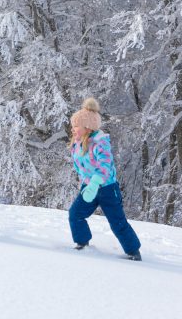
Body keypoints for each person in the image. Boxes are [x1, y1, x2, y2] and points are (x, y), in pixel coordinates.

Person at [67, 97, 142, 260]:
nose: (73, 129)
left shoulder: (100, 143)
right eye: (73, 126)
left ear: (87, 127)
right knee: (75, 214)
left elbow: (104, 165)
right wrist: (88, 184)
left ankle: (133, 252)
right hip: (88, 188)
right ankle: (82, 243)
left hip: (107, 189)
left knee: (117, 222)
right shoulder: (78, 143)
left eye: (76, 126)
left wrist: (95, 183)